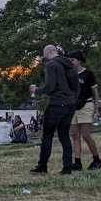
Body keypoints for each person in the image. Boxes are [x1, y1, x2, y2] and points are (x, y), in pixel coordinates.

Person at [29, 44, 77, 175]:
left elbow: (50, 86)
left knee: (47, 135)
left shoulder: (51, 65)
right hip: (70, 104)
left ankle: (42, 166)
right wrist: (73, 100)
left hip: (56, 104)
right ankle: (67, 168)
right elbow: (76, 85)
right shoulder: (70, 64)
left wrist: (36, 90)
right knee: (64, 136)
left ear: (46, 54)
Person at [68, 50, 101, 171]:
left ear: (79, 61)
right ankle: (77, 162)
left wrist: (96, 109)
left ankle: (96, 159)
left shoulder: (88, 73)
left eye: (73, 59)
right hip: (73, 106)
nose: (71, 62)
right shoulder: (70, 74)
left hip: (86, 105)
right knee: (75, 135)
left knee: (86, 135)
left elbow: (95, 91)